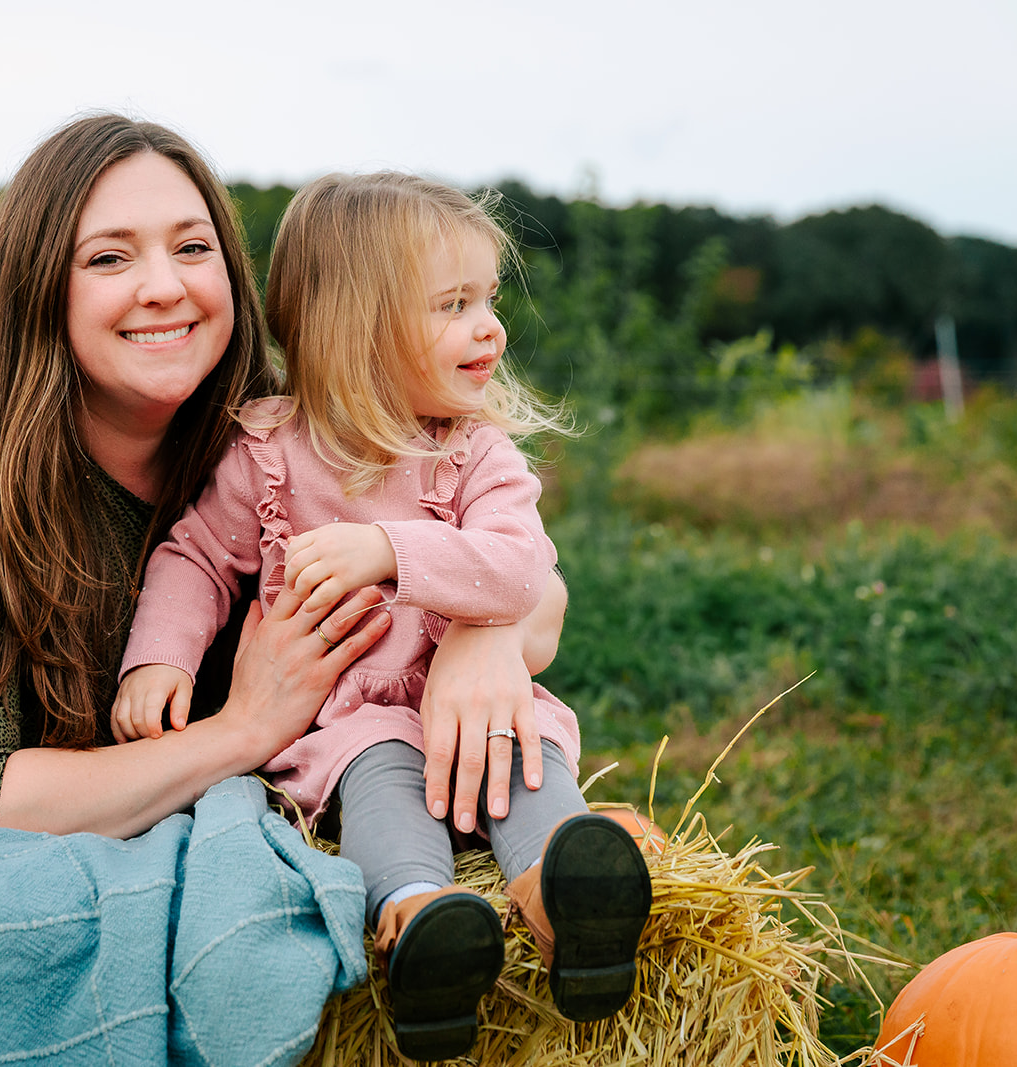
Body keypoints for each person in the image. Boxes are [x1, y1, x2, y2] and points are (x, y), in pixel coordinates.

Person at [0, 115, 562, 847]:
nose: (165, 286)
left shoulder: (265, 432)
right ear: (39, 286)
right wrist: (243, 730)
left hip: (182, 820)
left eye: (193, 248)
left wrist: (483, 635)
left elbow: (533, 574)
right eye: (110, 259)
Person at [111, 172, 653, 1060]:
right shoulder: (269, 453)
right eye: (454, 304)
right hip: (356, 723)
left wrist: (392, 551)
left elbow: (521, 567)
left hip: (477, 704)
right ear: (357, 329)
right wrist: (158, 659)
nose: (491, 327)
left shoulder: (477, 452)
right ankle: (420, 921)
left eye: (487, 299)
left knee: (525, 760)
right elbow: (196, 557)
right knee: (380, 783)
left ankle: (567, 904)